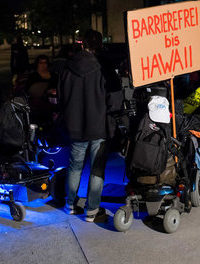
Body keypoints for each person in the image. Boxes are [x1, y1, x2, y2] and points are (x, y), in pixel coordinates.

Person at [57, 29, 111, 222]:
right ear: (99, 46)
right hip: (97, 124)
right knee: (97, 168)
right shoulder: (101, 67)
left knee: (74, 167)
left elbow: (61, 97)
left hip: (75, 125)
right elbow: (110, 96)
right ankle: (92, 210)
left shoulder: (67, 66)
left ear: (82, 44)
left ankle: (70, 205)